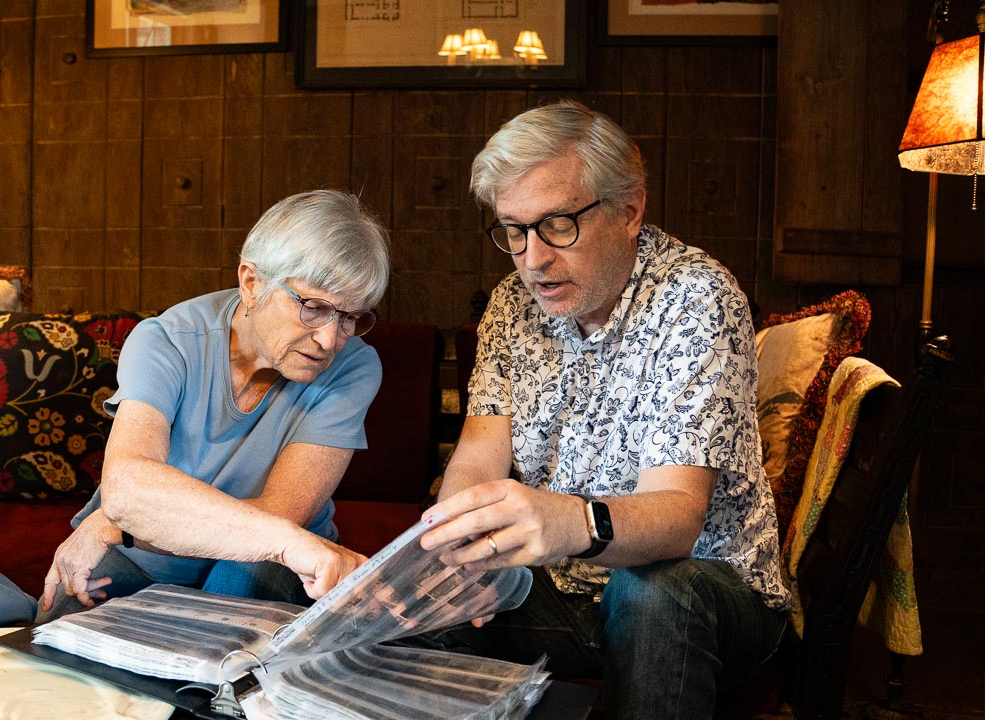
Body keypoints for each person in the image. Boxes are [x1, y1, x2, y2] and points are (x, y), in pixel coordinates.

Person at [416, 100, 790, 718]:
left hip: (709, 595)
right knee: (410, 609)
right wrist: (464, 549)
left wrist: (567, 521)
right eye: (513, 230)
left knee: (653, 589)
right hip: (565, 589)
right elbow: (481, 454)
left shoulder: (696, 299)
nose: (533, 259)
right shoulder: (512, 303)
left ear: (629, 209)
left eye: (559, 224)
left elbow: (677, 518)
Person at [38, 189, 391, 620]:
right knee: (59, 624)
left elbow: (277, 521)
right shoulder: (166, 341)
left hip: (269, 557)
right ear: (252, 282)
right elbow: (128, 483)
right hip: (147, 557)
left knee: (226, 608)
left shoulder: (354, 366)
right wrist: (127, 511)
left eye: (352, 316)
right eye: (314, 308)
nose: (330, 339)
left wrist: (117, 525)